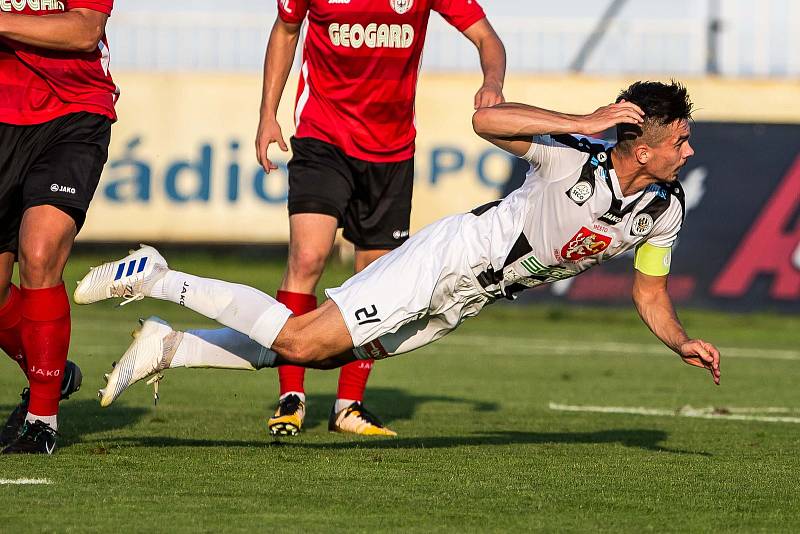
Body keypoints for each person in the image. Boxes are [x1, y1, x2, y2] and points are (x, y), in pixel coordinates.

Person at [75, 80, 721, 415]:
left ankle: (171, 346)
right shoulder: (570, 157)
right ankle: (159, 277)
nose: (688, 151)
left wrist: (679, 340)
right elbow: (486, 120)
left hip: (465, 298)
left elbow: (650, 290)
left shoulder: (665, 208)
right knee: (301, 340)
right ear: (641, 144)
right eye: (681, 141)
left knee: (322, 354)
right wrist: (580, 121)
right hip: (446, 259)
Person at [190, 0, 506, 436]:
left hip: (392, 152)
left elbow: (487, 36)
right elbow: (285, 30)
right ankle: (291, 395)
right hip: (323, 137)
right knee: (307, 257)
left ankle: (348, 406)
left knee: (376, 279)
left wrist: (492, 82)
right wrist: (268, 113)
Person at [0, 1, 118, 454]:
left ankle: (41, 420)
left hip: (72, 113)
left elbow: (84, 31)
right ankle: (49, 370)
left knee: (39, 251)